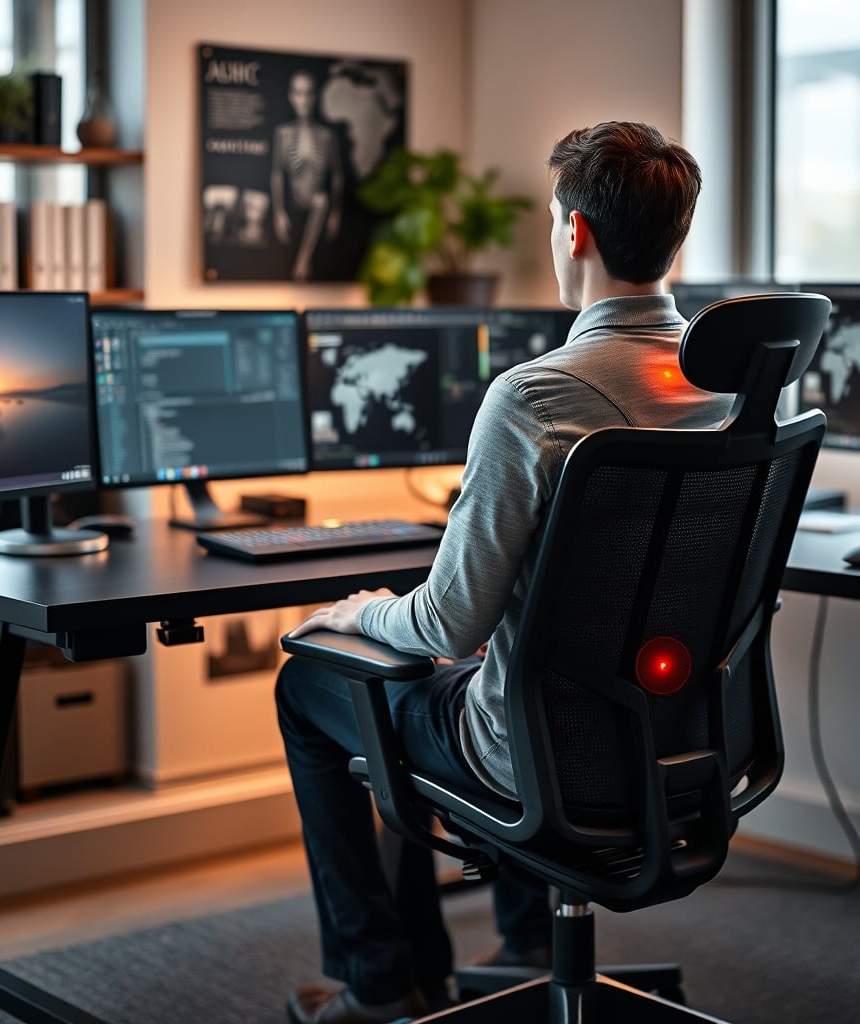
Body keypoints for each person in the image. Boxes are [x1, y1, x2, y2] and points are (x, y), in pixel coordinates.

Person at [275, 120, 735, 1024]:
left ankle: (378, 982)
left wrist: (362, 612)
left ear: (574, 233)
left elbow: (446, 623)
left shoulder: (534, 396)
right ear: (676, 238)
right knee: (508, 663)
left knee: (310, 684)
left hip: (533, 758)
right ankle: (527, 938)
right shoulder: (733, 390)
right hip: (685, 740)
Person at [270, 69, 344, 281]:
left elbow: (337, 175)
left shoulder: (327, 136)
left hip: (316, 201)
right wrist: (278, 211)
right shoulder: (282, 134)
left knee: (321, 200)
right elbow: (277, 173)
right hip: (294, 200)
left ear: (315, 96)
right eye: (298, 93)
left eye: (308, 93)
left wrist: (336, 212)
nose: (303, 100)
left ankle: (303, 260)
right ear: (291, 97)